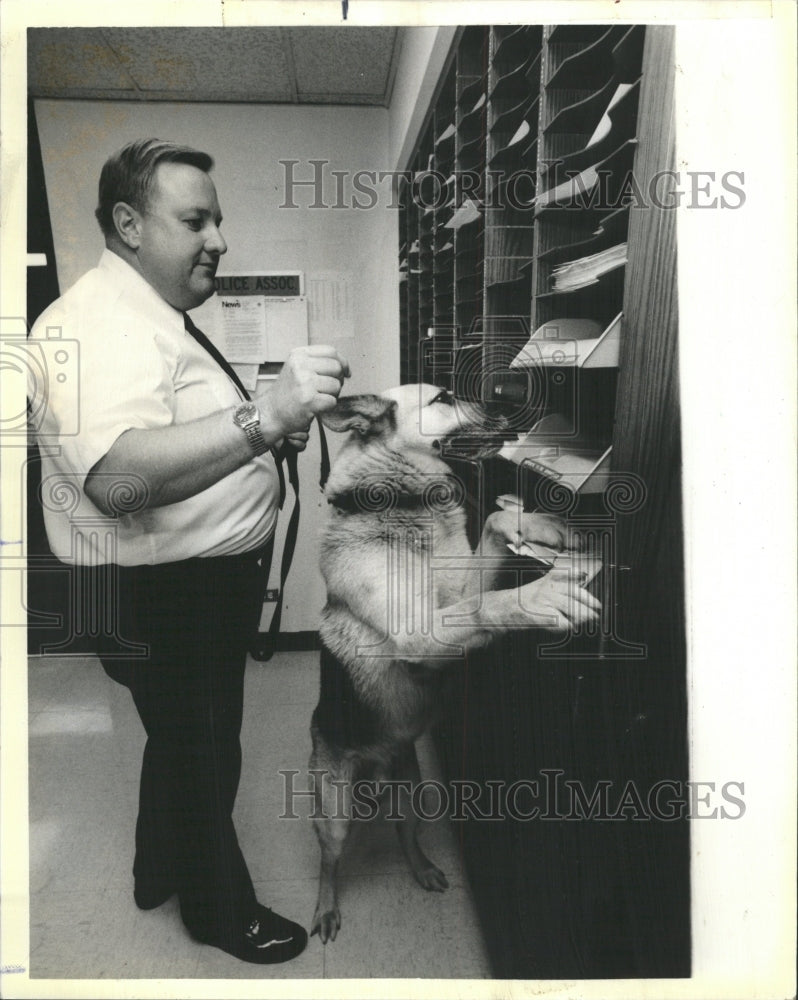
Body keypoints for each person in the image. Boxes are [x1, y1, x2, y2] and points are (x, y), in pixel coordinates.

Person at [29, 138, 350, 964]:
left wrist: (259, 433)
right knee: (205, 747)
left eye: (219, 219)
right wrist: (267, 418)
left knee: (177, 734)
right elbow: (120, 479)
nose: (219, 238)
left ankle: (154, 865)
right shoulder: (98, 323)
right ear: (130, 224)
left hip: (181, 585)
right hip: (165, 595)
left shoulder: (147, 316)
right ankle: (217, 911)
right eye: (196, 219)